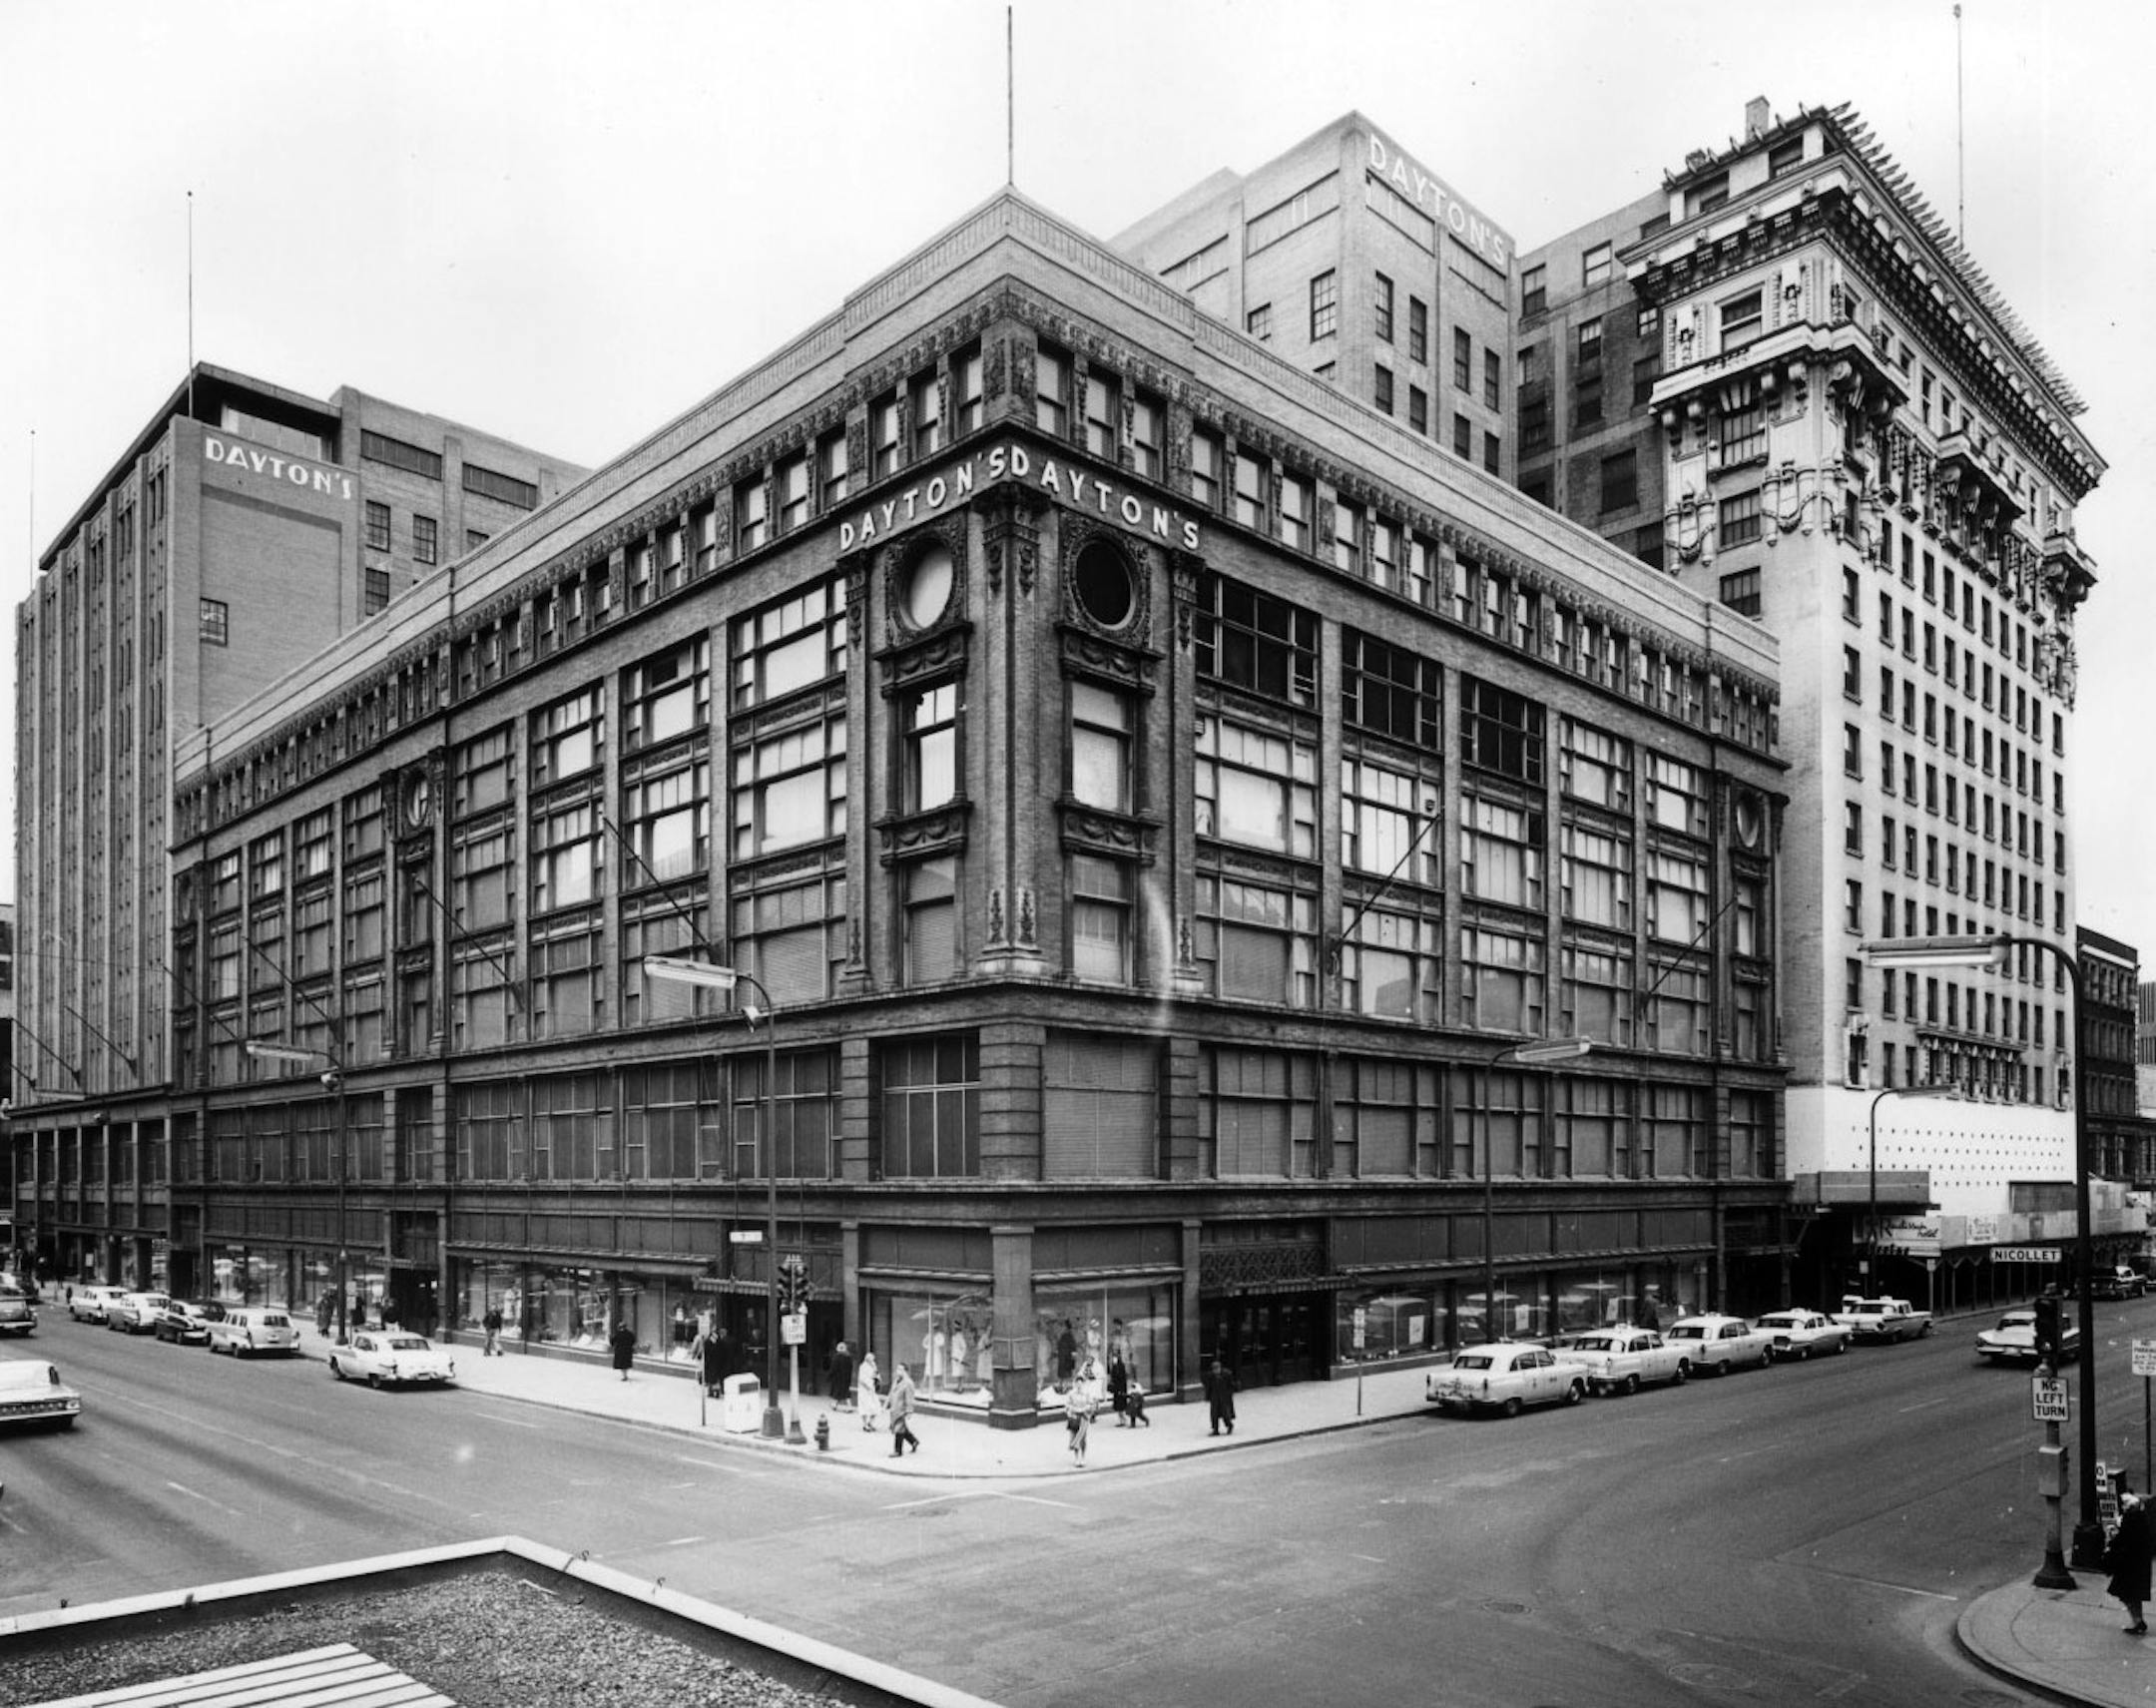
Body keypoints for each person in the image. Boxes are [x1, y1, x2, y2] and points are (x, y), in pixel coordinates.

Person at [2108, 1487, 2153, 1634]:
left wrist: (2113, 1539)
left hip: (2128, 1564)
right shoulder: (2142, 1518)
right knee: (2134, 1595)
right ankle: (2138, 1620)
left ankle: (2137, 1621)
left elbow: (2122, 1540)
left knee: (2125, 1594)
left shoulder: (2129, 1519)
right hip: (2139, 1563)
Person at [886, 1362, 920, 1456]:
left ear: (905, 1371)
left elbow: (909, 1398)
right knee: (901, 1428)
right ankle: (914, 1441)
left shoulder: (908, 1383)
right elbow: (891, 1393)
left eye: (900, 1369)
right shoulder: (896, 1380)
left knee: (898, 1429)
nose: (898, 1371)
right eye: (897, 1369)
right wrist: (886, 1404)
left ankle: (898, 1451)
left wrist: (909, 1411)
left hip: (901, 1409)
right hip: (894, 1408)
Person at [1204, 1356, 1237, 1436]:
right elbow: (1209, 1387)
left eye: (1217, 1369)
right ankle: (1215, 1429)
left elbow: (1231, 1385)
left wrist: (1229, 1394)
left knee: (1225, 1413)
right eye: (1214, 1369)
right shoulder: (1210, 1376)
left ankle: (1229, 1425)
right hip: (1214, 1397)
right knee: (1214, 1414)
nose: (1216, 1371)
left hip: (1224, 1397)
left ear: (1220, 1368)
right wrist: (1207, 1397)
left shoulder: (1227, 1374)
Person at [1065, 1379, 1095, 1468]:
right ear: (1075, 1384)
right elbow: (1067, 1405)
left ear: (1083, 1384)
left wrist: (1085, 1409)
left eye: (1080, 1384)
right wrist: (1071, 1411)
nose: (1079, 1385)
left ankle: (1083, 1457)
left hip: (1084, 1417)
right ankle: (1076, 1458)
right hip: (1074, 1417)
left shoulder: (1086, 1393)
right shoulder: (1071, 1394)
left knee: (1083, 1438)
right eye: (1077, 1384)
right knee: (1075, 1437)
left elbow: (1091, 1404)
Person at [856, 1351, 883, 1430]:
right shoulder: (862, 1367)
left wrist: (878, 1379)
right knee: (865, 1407)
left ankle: (870, 1423)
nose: (872, 1360)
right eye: (870, 1359)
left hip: (872, 1390)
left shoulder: (874, 1365)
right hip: (864, 1390)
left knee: (876, 1407)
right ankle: (865, 1424)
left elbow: (877, 1375)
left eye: (872, 1359)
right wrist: (867, 1386)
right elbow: (861, 1379)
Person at [826, 1340, 855, 1410]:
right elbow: (851, 1367)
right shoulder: (849, 1357)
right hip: (846, 1378)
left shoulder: (837, 1357)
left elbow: (833, 1368)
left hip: (838, 1378)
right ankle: (849, 1406)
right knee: (846, 1393)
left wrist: (829, 1376)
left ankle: (834, 1405)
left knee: (837, 1392)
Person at [1107, 1351, 1131, 1425]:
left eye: (1115, 1357)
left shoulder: (1121, 1366)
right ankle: (1121, 1420)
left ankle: (1124, 1420)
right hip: (1116, 1389)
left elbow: (1122, 1378)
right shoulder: (1114, 1366)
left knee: (1121, 1405)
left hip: (1120, 1389)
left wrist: (1121, 1389)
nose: (1114, 1359)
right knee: (1118, 1406)